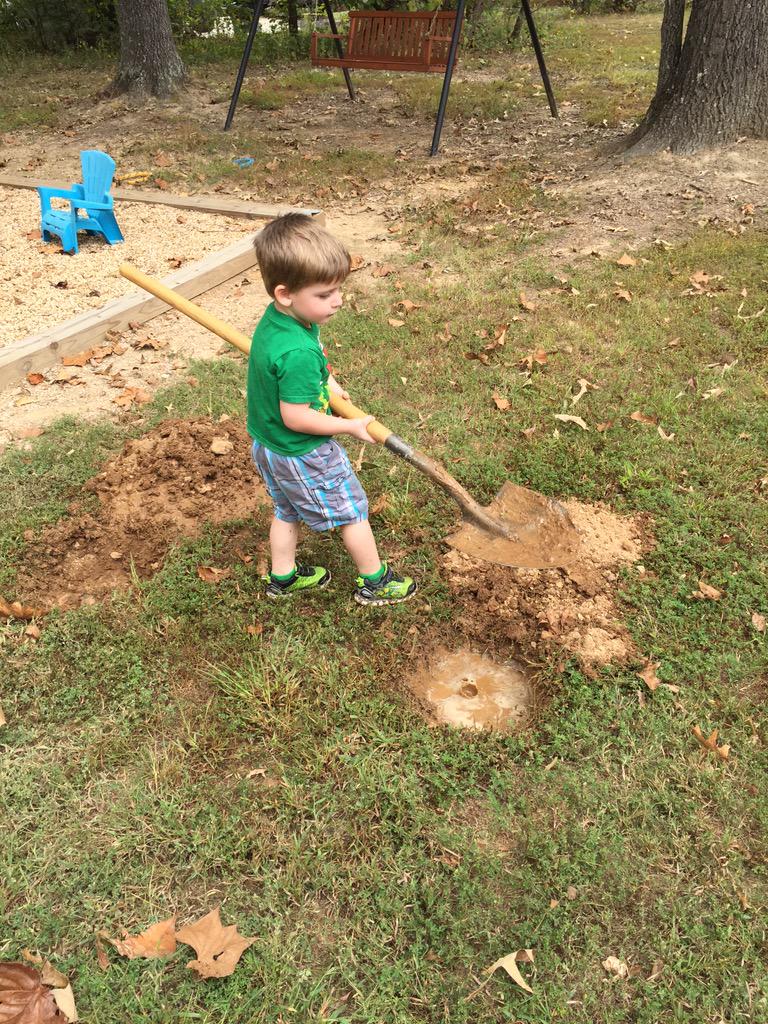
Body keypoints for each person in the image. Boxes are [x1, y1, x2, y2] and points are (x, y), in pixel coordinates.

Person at [247, 213, 417, 606]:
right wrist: (350, 426)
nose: (337, 301)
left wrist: (325, 381)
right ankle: (375, 582)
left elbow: (292, 377)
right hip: (302, 450)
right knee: (352, 510)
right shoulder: (297, 352)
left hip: (270, 446)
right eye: (325, 295)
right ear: (285, 293)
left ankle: (284, 578)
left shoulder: (280, 322)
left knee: (286, 509)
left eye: (338, 289)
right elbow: (297, 416)